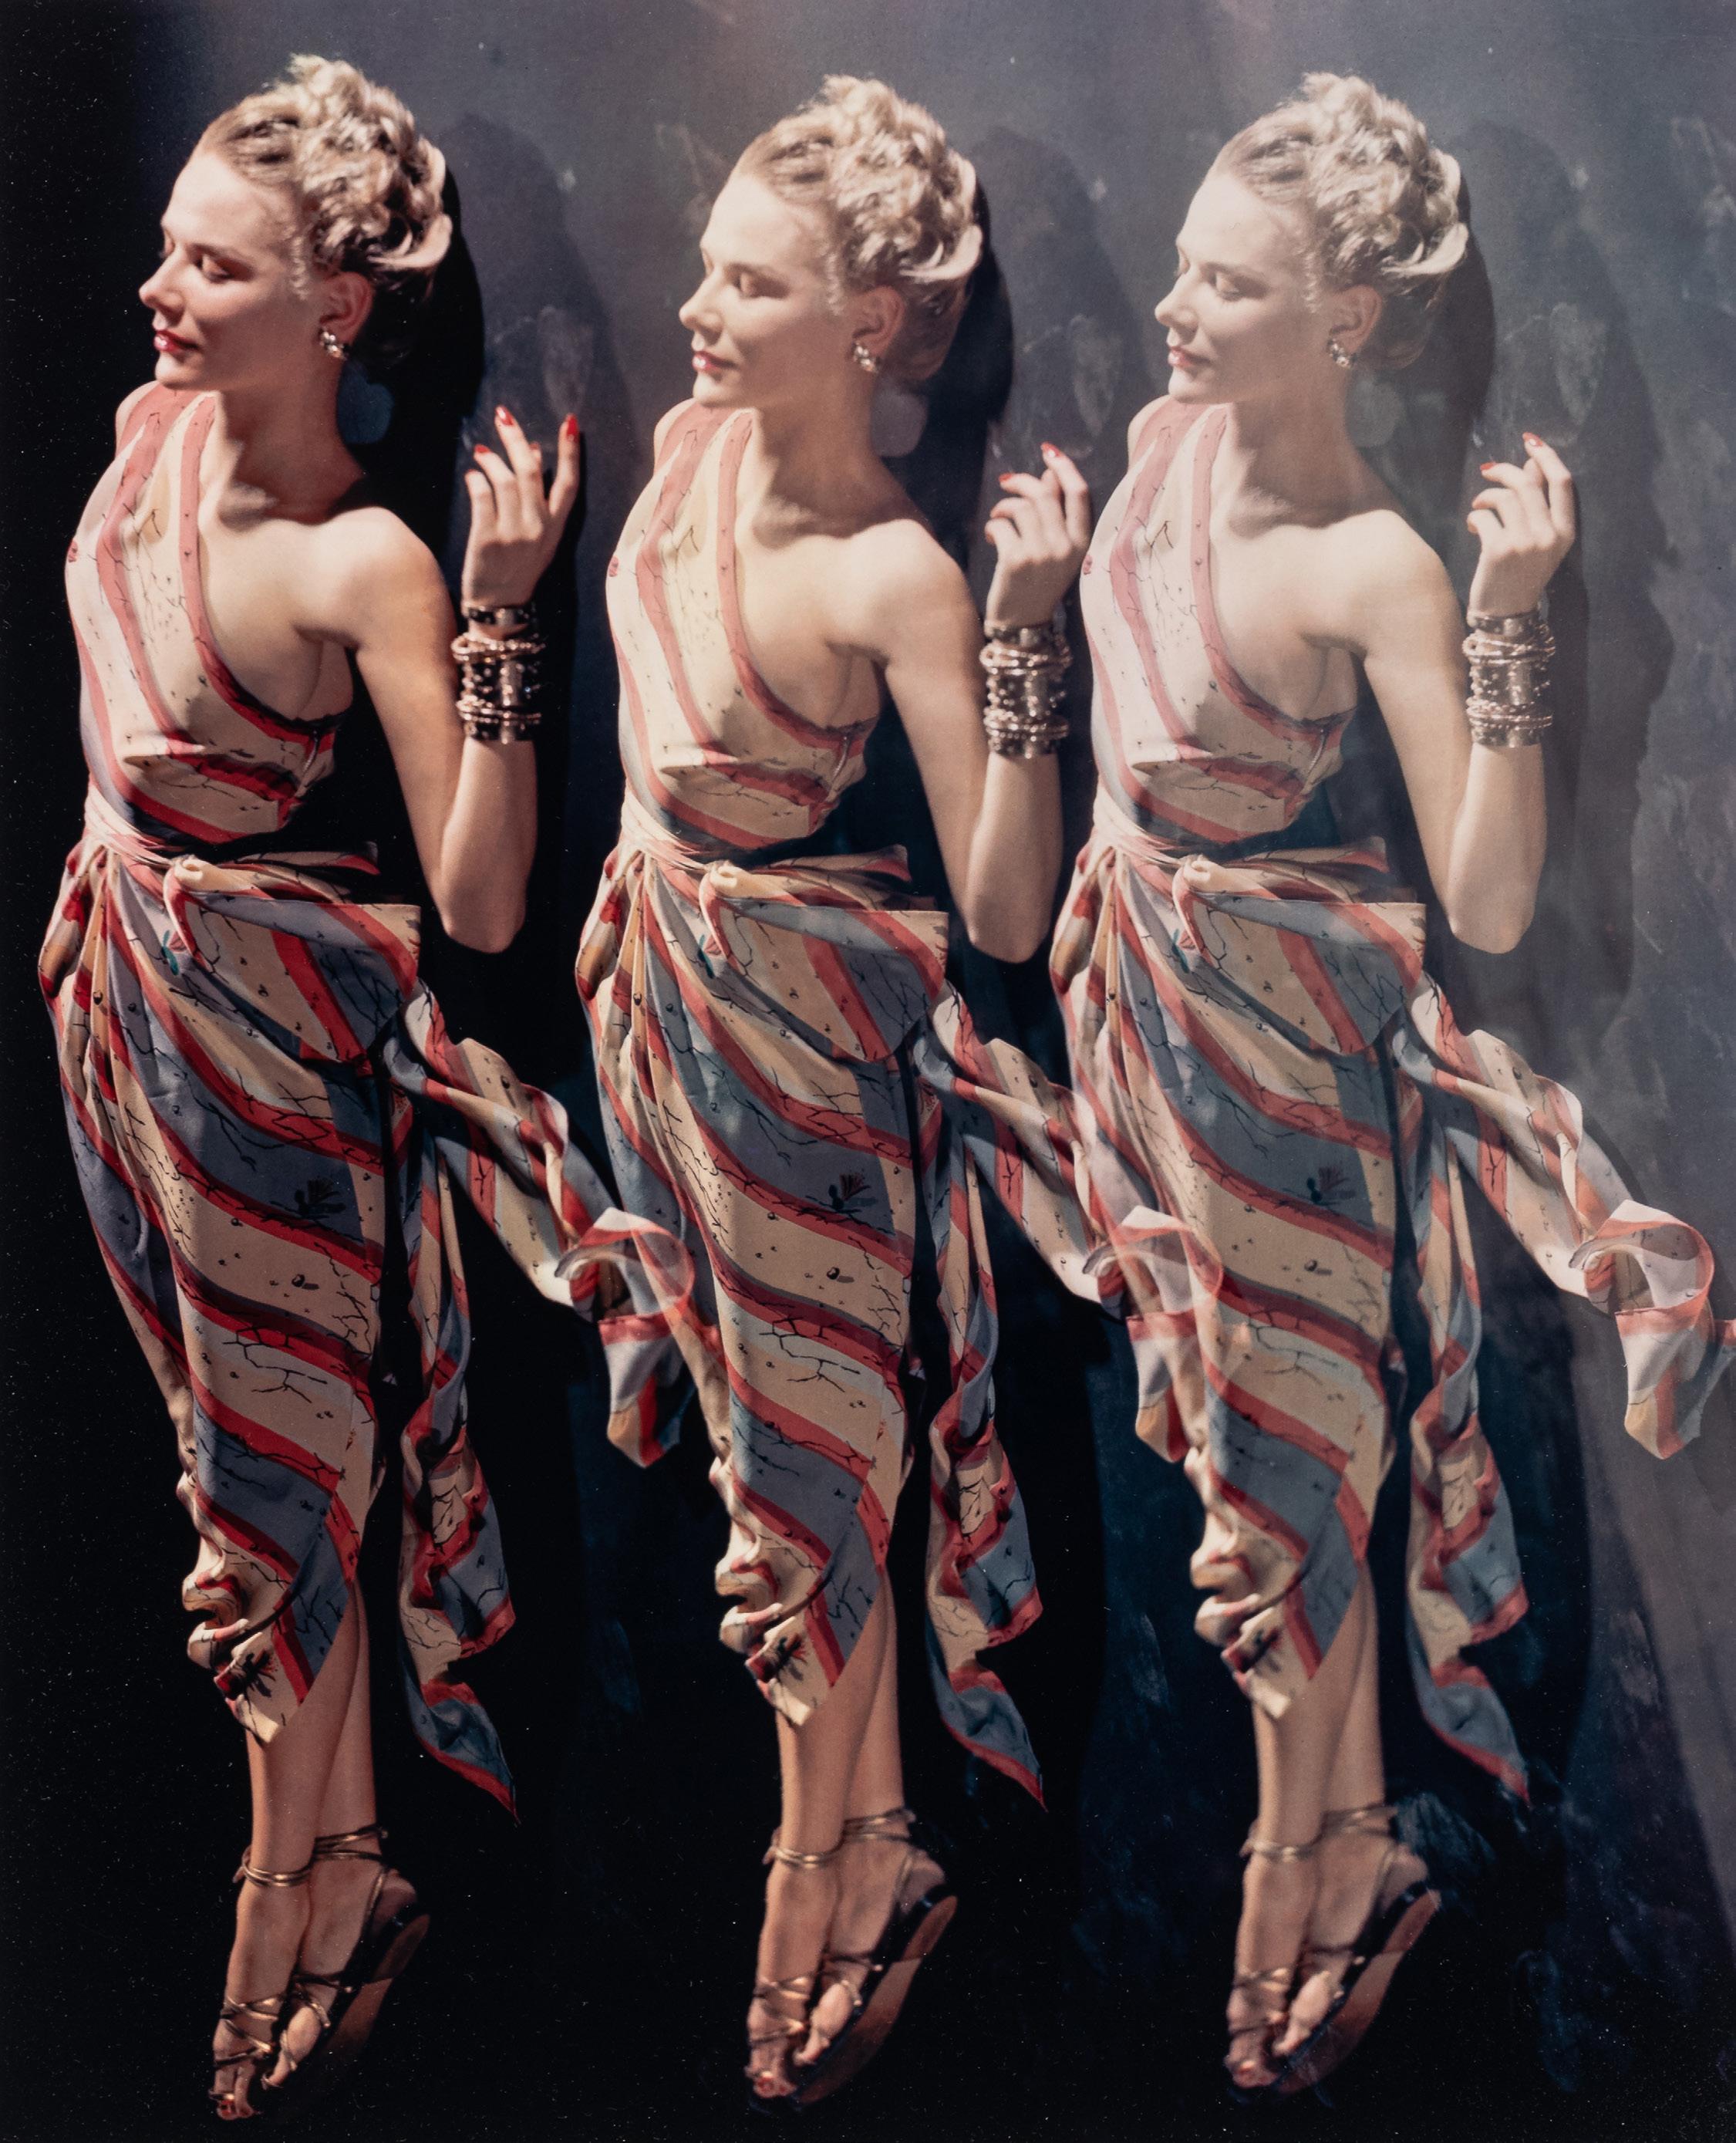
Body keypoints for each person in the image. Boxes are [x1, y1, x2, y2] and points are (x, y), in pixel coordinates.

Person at [1047, 71, 1734, 2098]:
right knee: (1238, 1460)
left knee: (1291, 1464)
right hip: (1140, 1026)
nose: (1172, 310)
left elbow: (1492, 888)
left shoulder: (1375, 564)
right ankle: (1323, 1832)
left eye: (1225, 284)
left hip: (1283, 1054)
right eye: (1180, 267)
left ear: (1343, 319)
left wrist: (1508, 625)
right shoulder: (1160, 451)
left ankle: (1324, 1850)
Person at [38, 54, 618, 2120]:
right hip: (131, 1034)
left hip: (270, 1072)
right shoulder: (147, 439)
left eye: (213, 267)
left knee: (283, 1486)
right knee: (254, 1474)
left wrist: (503, 621)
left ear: (336, 307)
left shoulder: (364, 558)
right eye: (167, 250)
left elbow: (481, 899)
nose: (159, 292)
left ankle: (291, 1885)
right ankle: (339, 1855)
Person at [573, 75, 1097, 2108]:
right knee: (762, 1468)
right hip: (665, 1029)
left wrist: (1026, 644)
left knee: (815, 1469)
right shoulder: (687, 457)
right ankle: (853, 1832)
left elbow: (1007, 902)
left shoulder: (896, 575)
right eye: (706, 271)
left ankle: (841, 1858)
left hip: (805, 1057)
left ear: (869, 323)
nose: (695, 312)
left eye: (748, 285)